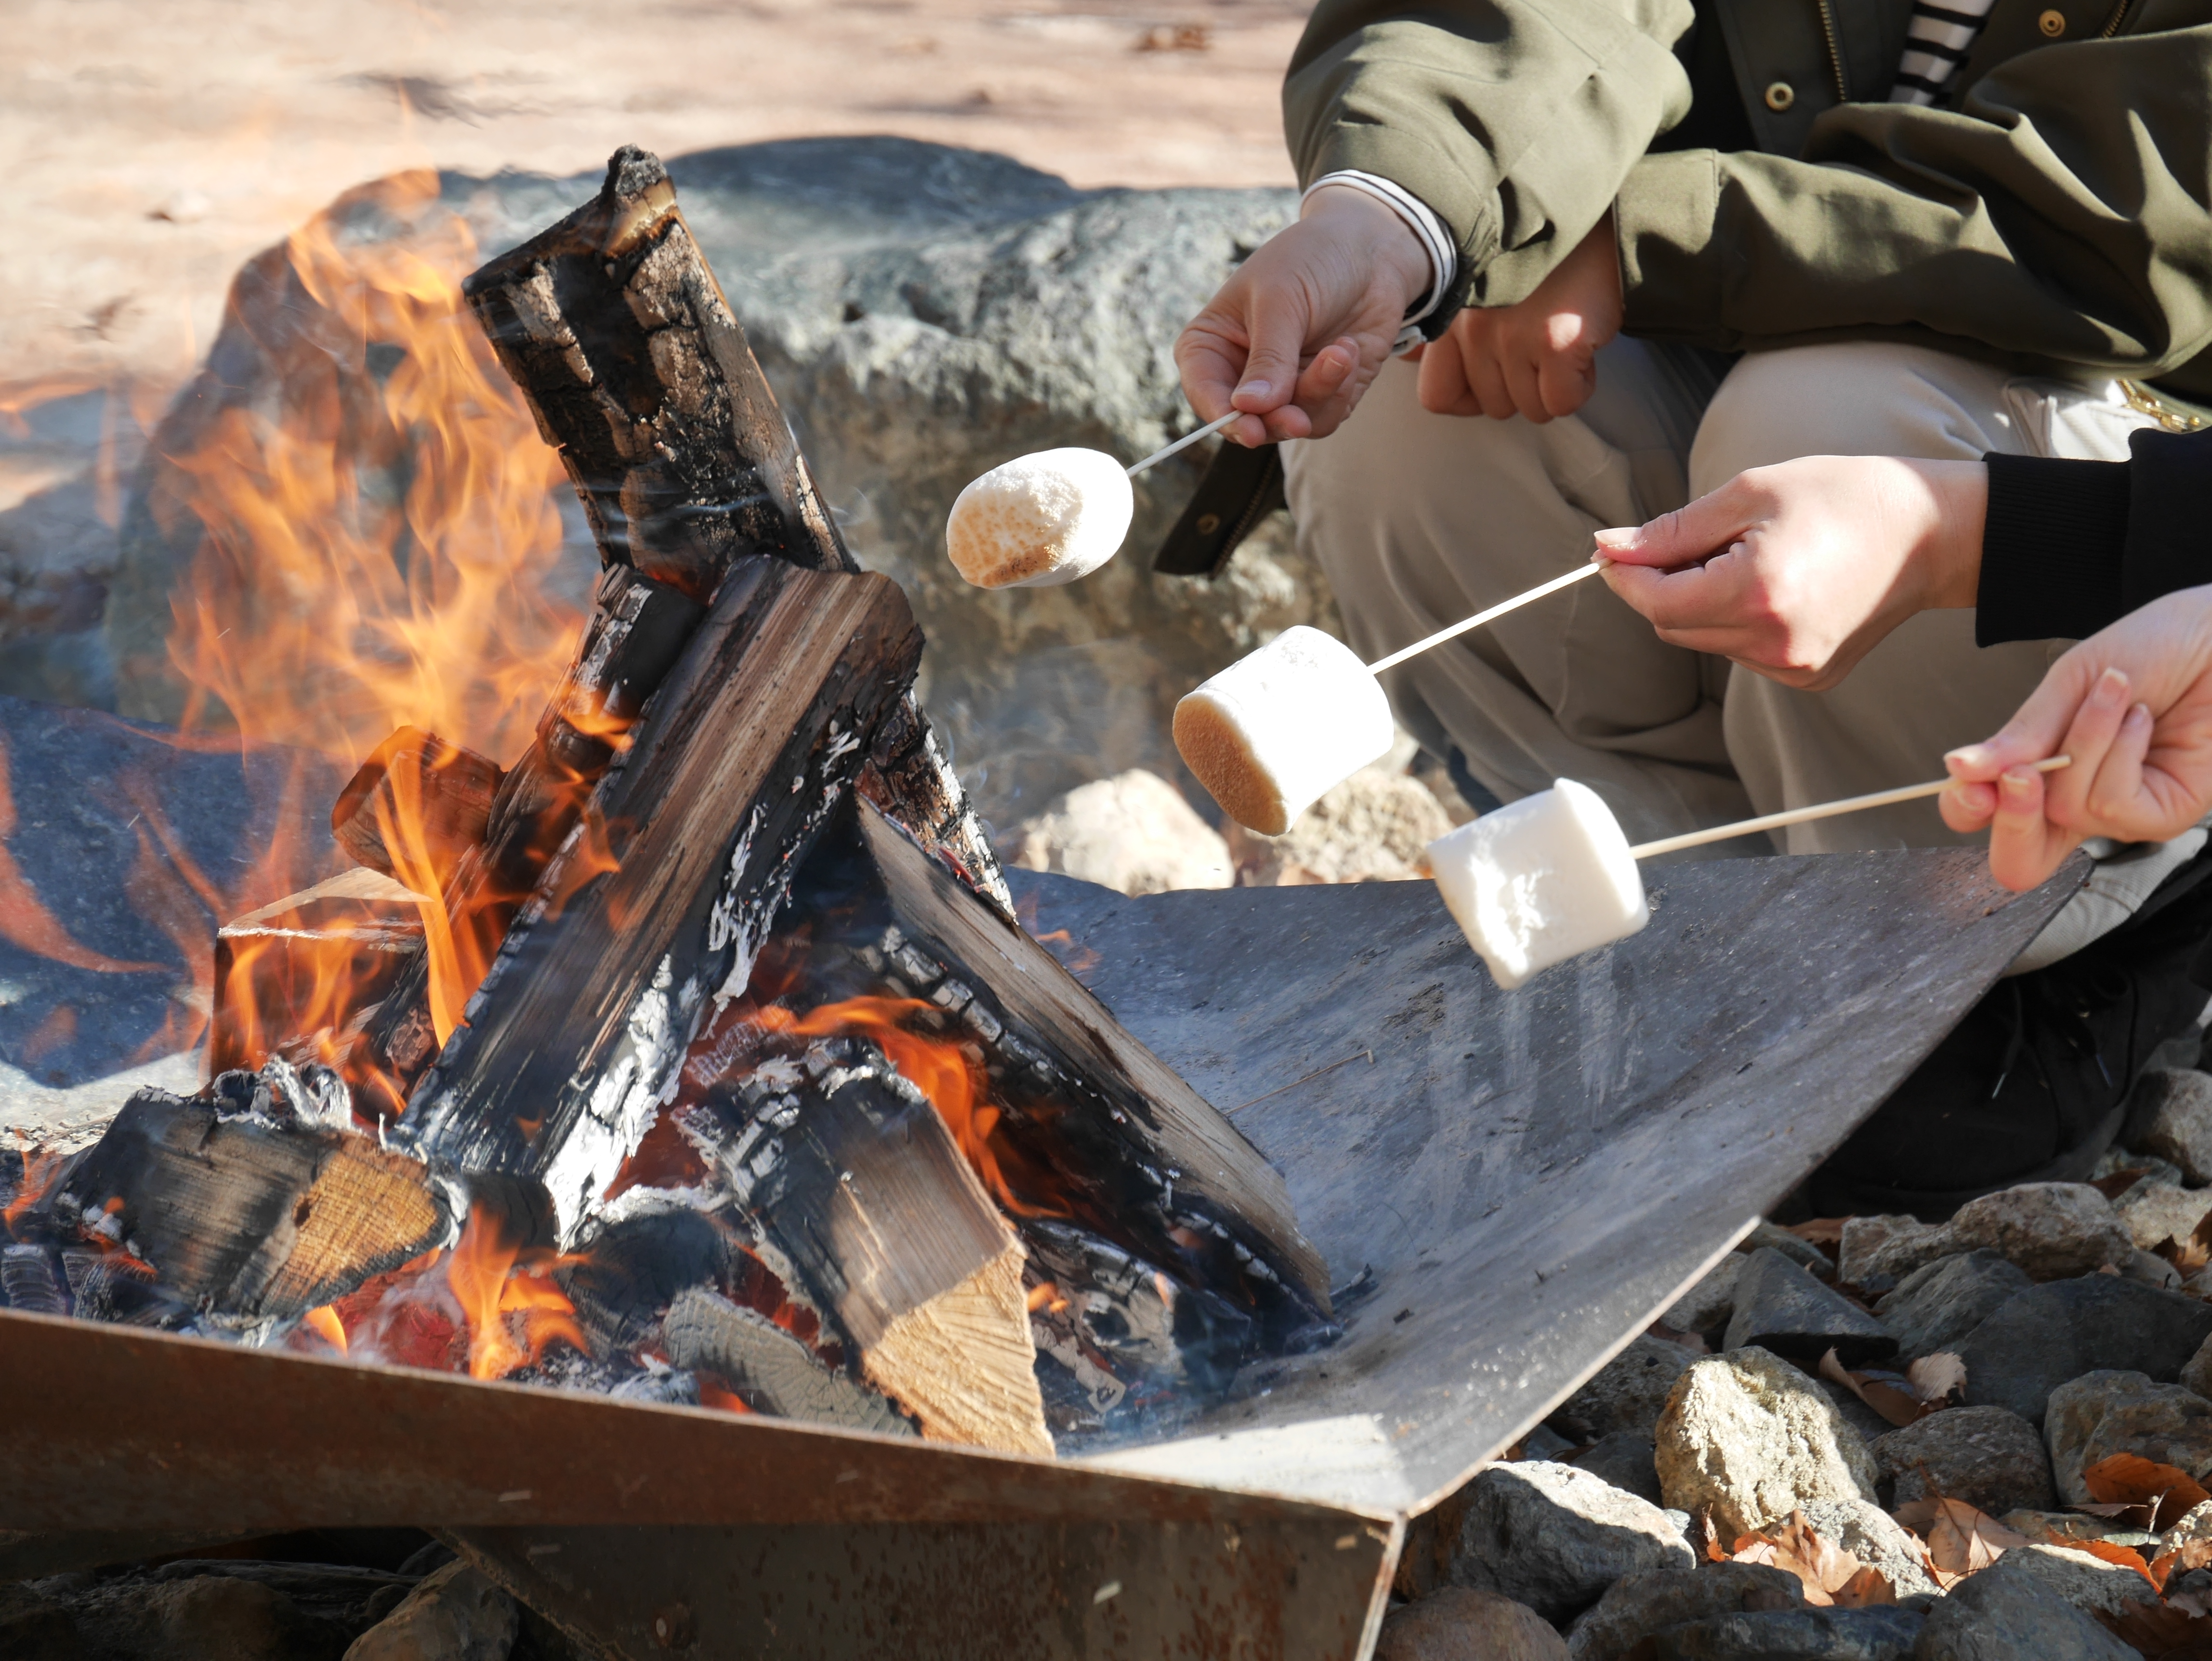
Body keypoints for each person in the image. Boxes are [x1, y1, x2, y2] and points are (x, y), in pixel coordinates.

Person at [1169, 0, 2212, 1215]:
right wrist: (1399, 209)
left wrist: (1634, 242)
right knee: (1418, 392)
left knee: (1822, 413)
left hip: (2117, 487)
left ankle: (1957, 987)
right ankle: (1679, 949)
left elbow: (2145, 185)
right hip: (1723, 323)